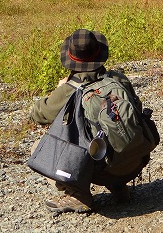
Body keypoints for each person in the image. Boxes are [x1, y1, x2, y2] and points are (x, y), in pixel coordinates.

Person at [30, 28, 149, 213]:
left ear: (71, 59)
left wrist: (60, 88)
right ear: (98, 53)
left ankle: (78, 195)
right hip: (135, 161)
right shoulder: (119, 79)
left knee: (40, 146)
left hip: (102, 170)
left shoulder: (70, 89)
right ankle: (118, 187)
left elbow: (38, 114)